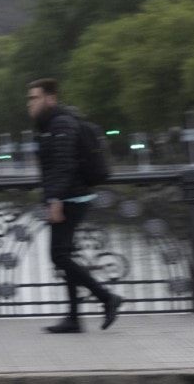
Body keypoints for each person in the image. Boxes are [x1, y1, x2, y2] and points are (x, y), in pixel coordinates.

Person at [27, 78, 124, 333]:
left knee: (58, 255)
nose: (30, 103)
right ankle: (73, 317)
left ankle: (107, 298)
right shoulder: (51, 124)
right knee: (64, 255)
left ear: (51, 98)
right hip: (67, 195)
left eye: (35, 98)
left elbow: (63, 164)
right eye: (30, 99)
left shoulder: (60, 124)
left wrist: (54, 200)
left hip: (71, 198)